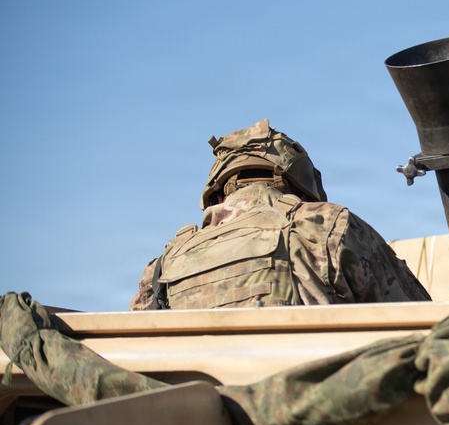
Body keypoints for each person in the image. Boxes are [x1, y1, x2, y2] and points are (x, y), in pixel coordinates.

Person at [129, 119, 432, 309]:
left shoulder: (163, 266)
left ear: (218, 196)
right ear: (303, 193)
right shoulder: (327, 227)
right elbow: (421, 319)